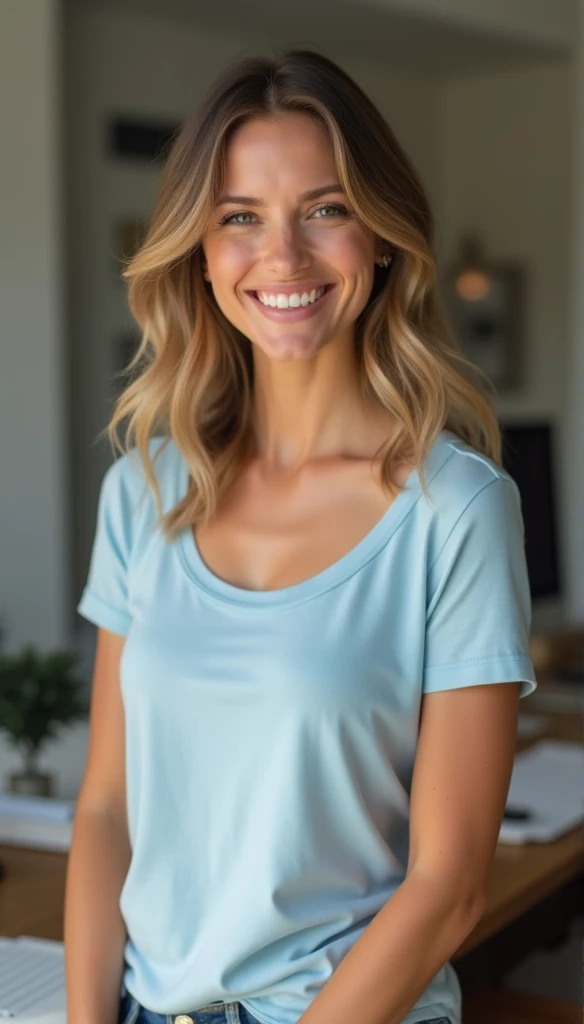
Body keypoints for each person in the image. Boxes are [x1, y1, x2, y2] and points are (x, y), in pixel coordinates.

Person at [64, 49, 537, 1024]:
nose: (281, 258)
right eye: (240, 217)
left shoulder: (455, 509)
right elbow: (106, 808)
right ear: (200, 249)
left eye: (323, 209)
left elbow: (447, 887)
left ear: (381, 236)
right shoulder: (141, 493)